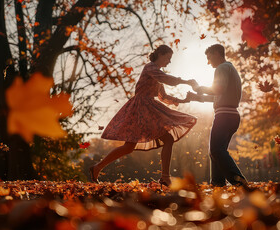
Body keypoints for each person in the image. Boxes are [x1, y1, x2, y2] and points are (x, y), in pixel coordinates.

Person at [90, 45, 197, 186]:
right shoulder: (150, 67)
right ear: (160, 54)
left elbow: (163, 96)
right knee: (131, 146)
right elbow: (167, 79)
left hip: (148, 108)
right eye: (168, 58)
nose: (169, 62)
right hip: (141, 109)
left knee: (159, 141)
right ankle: (98, 167)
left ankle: (165, 177)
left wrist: (182, 100)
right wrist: (186, 82)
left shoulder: (156, 72)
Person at [187, 44, 249, 188]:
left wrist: (198, 88)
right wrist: (197, 97)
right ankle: (218, 184)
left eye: (209, 58)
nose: (208, 62)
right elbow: (219, 94)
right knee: (216, 151)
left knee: (216, 150)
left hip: (224, 116)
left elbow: (218, 89)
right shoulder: (230, 69)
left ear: (216, 53)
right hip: (231, 115)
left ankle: (240, 182)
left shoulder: (222, 68)